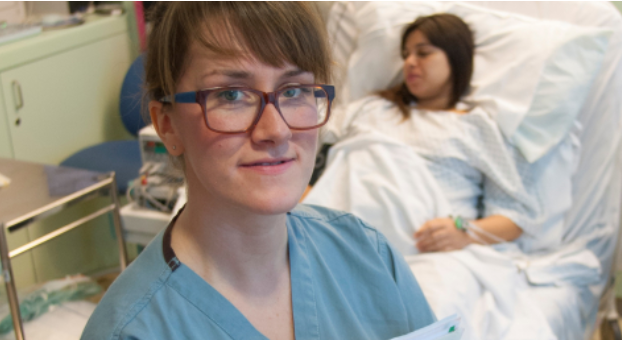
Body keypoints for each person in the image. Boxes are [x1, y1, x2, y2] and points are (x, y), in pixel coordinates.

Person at [81, 2, 435, 340]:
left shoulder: (369, 256)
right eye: (232, 95)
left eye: (294, 90)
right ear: (168, 125)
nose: (276, 130)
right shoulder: (131, 331)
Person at [308, 13, 539, 255]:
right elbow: (310, 135)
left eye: (423, 53)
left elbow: (518, 216)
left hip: (422, 248)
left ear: (456, 57)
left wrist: (464, 231)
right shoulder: (373, 108)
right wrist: (308, 189)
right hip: (337, 227)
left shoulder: (476, 126)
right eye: (405, 54)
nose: (409, 62)